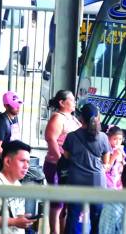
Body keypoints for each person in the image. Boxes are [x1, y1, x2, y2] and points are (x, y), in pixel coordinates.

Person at [62, 103, 111, 234]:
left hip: (76, 182)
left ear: (81, 118)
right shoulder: (103, 137)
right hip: (97, 183)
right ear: (97, 117)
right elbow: (106, 162)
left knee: (73, 216)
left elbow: (66, 156)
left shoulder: (72, 136)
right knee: (97, 217)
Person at [0, 140, 36, 233]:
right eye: (22, 161)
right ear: (7, 161)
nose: (26, 166)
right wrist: (15, 222)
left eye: (28, 162)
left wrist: (23, 220)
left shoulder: (17, 184)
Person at [43, 90, 81, 234]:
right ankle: (54, 231)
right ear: (62, 102)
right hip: (56, 165)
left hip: (71, 166)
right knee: (57, 203)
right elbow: (51, 139)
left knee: (65, 203)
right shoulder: (57, 118)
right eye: (71, 99)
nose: (74, 102)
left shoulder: (72, 118)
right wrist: (60, 160)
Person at [0, 91, 23, 175]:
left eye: (19, 104)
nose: (18, 107)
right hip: (1, 164)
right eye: (14, 105)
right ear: (6, 106)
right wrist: (9, 161)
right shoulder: (1, 122)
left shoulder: (14, 118)